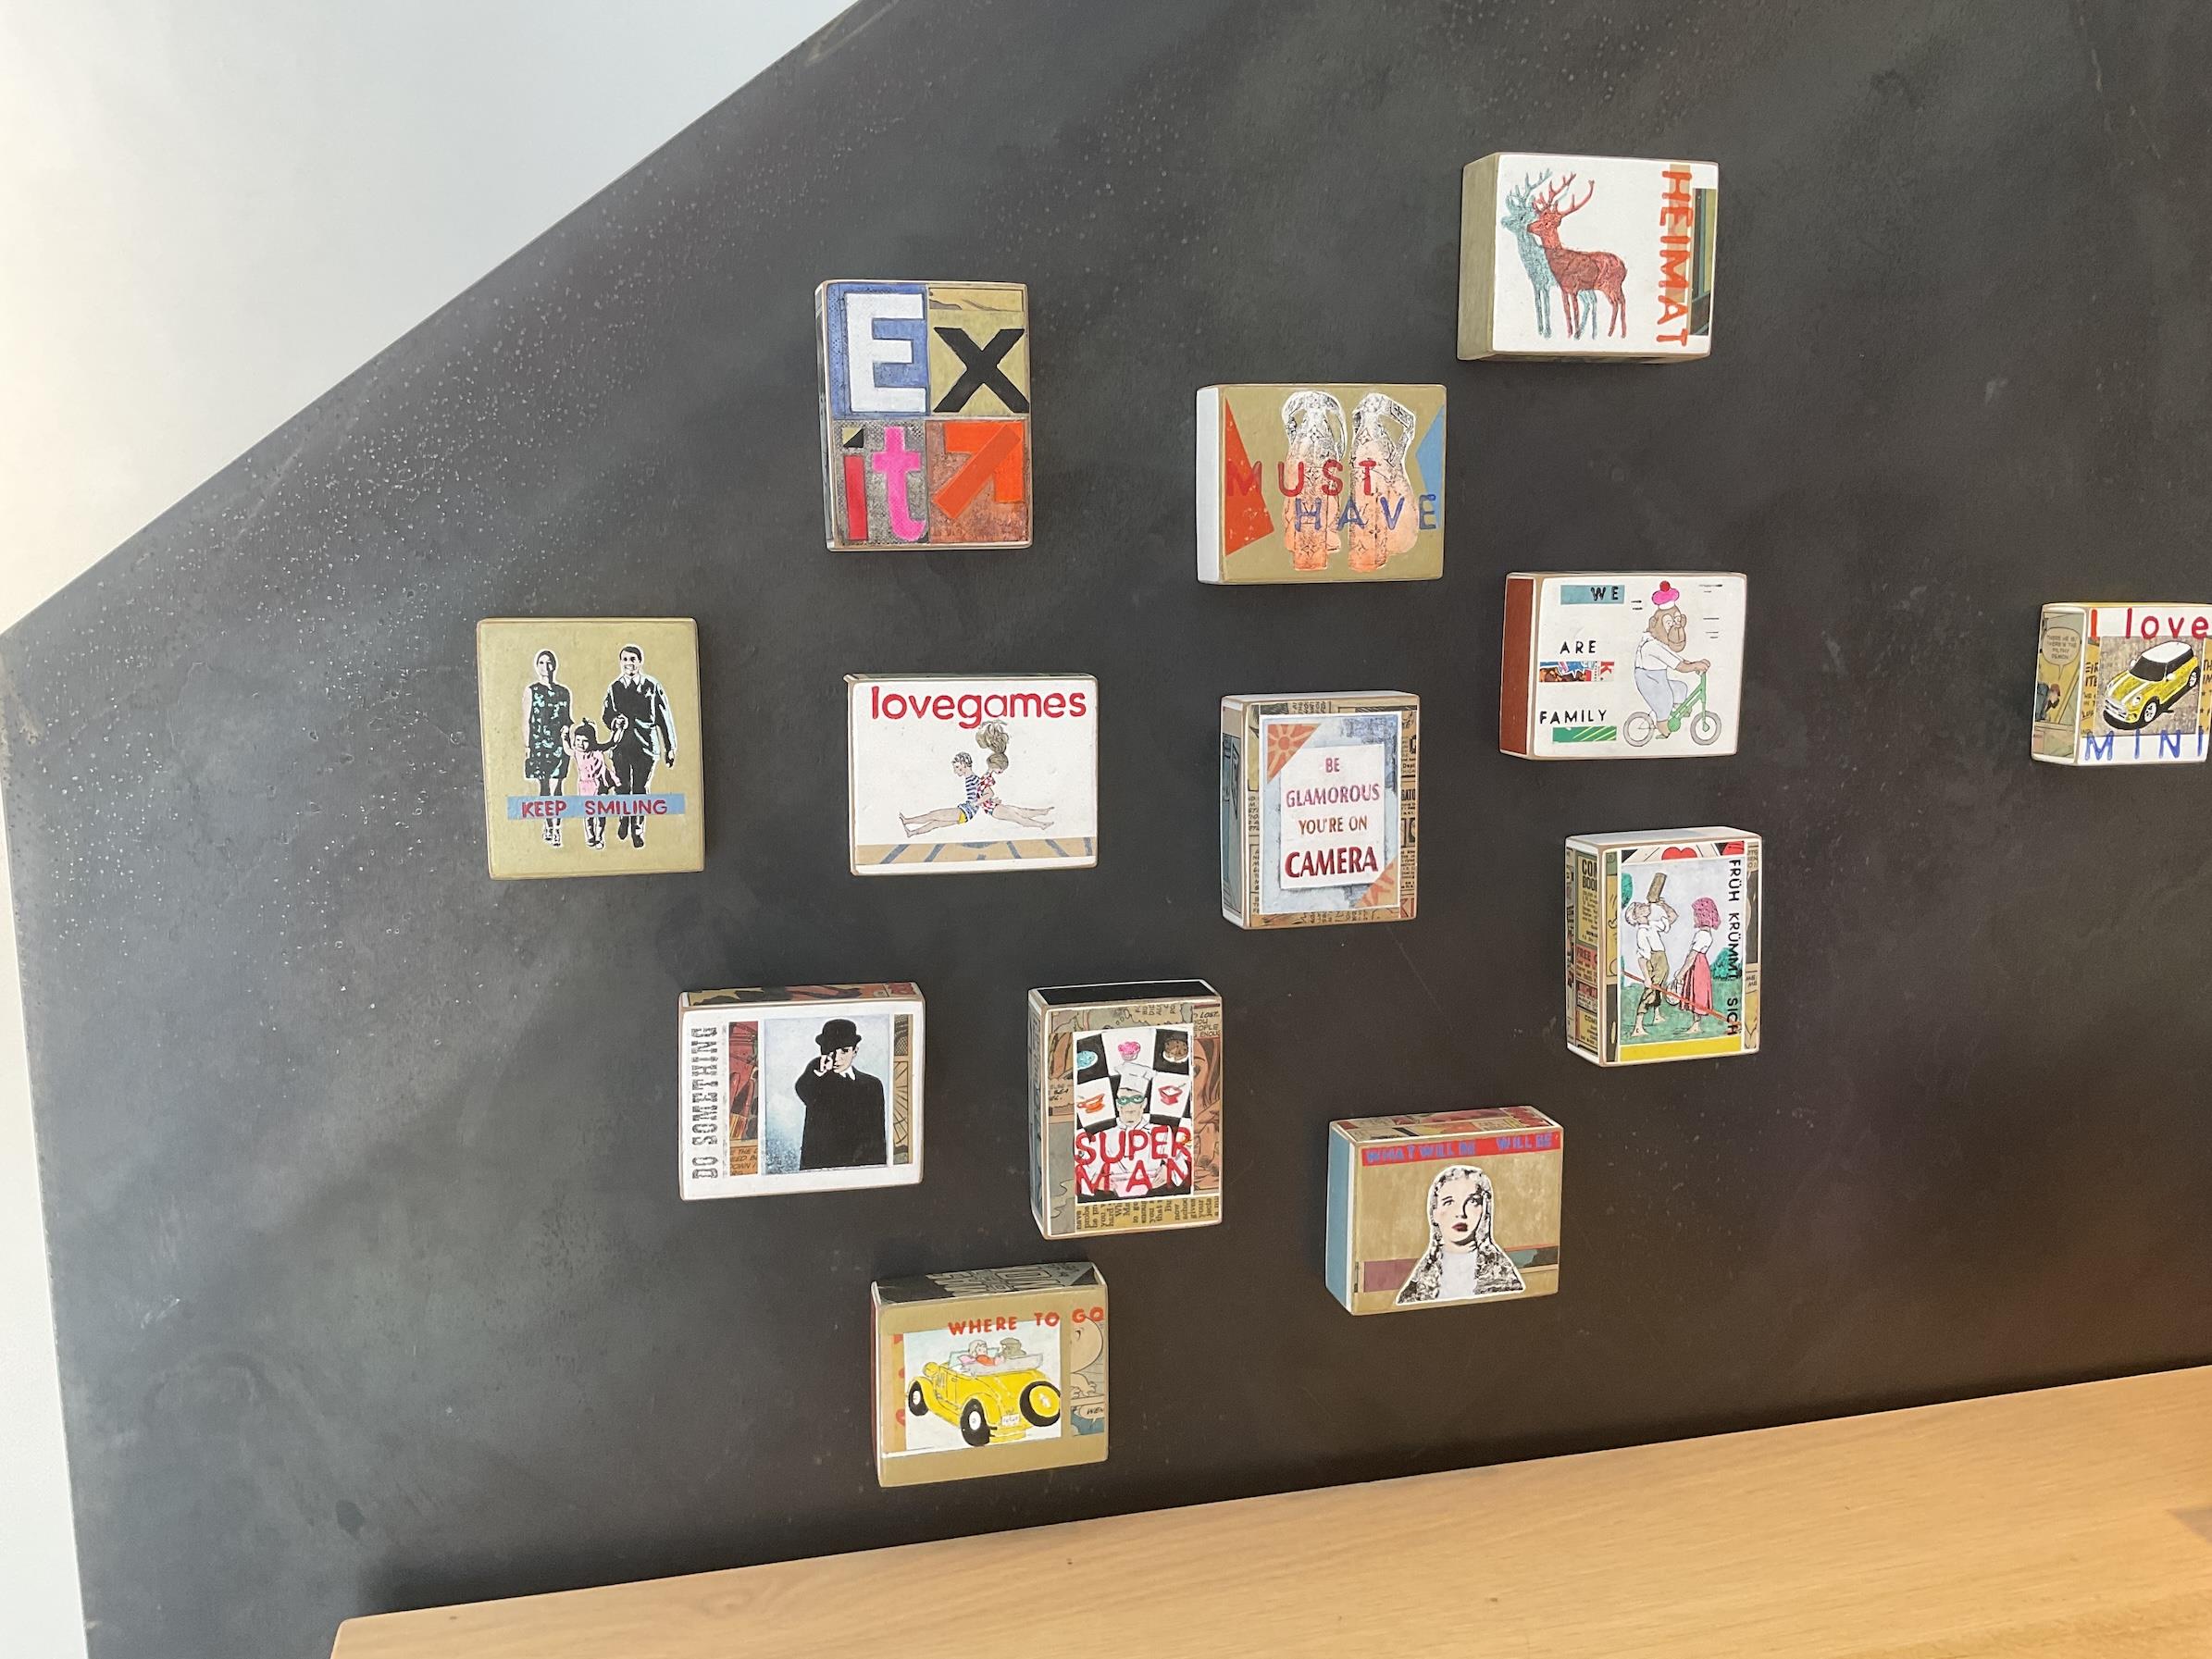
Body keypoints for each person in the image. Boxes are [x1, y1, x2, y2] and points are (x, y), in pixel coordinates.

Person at [1395, 1165, 1526, 1306]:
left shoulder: (1502, 1275)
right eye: (1449, 1202)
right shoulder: (1421, 1281)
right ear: (1434, 1213)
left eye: (1472, 1201)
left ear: (1485, 1209)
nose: (1460, 1213)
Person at [601, 644, 677, 848]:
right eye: (625, 659)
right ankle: (624, 820)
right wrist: (614, 720)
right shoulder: (615, 688)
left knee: (640, 789)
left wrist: (670, 747)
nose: (629, 664)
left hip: (646, 747)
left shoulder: (652, 686)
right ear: (621, 662)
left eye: (633, 659)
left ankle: (638, 828)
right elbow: (606, 714)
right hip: (621, 747)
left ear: (640, 662)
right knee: (622, 788)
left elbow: (664, 718)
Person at [791, 1017, 887, 1170]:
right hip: (822, 1169)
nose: (837, 1058)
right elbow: (802, 1089)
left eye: (844, 1051)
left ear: (855, 1051)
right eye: (831, 1051)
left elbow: (877, 1135)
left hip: (863, 1169)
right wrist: (817, 1068)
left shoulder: (873, 1085)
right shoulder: (817, 1080)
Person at [1633, 582, 1710, 734]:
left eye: (1677, 621)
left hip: (1659, 677)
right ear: (1655, 624)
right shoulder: (1652, 646)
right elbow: (1679, 666)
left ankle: (1675, 711)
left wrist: (1693, 663)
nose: (1675, 626)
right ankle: (1662, 723)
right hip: (1648, 679)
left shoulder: (1661, 644)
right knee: (1665, 697)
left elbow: (1676, 658)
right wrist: (1694, 666)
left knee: (1681, 688)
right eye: (1669, 623)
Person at [523, 650, 573, 847]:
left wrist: (566, 730)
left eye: (549, 662)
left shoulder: (563, 692)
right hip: (539, 746)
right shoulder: (532, 691)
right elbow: (526, 720)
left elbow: (567, 719)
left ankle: (556, 829)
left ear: (555, 665)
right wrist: (528, 745)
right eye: (542, 663)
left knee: (556, 787)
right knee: (544, 788)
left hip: (559, 746)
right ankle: (548, 825)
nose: (546, 666)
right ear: (537, 667)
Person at [1624, 872, 1678, 1039]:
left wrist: (1663, 905)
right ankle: (1638, 1026)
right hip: (1653, 960)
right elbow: (1642, 957)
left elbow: (1673, 917)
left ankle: (1657, 1015)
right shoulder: (1642, 932)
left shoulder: (1652, 925)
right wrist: (1646, 977)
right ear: (1636, 916)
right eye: (1639, 907)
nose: (1644, 905)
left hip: (1661, 958)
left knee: (1659, 987)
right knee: (1650, 990)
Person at [564, 720, 617, 849]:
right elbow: (567, 749)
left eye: (585, 741)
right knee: (588, 815)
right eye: (578, 740)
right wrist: (565, 737)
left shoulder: (597, 750)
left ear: (592, 741)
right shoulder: (576, 753)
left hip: (600, 785)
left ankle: (599, 837)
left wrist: (618, 729)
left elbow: (612, 743)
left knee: (600, 814)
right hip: (585, 787)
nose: (580, 744)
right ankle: (590, 836)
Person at [1674, 895, 1720, 1031]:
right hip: (1700, 964)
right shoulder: (1706, 934)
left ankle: (1696, 1025)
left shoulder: (1702, 935)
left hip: (1698, 965)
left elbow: (1692, 956)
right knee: (1696, 992)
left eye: (1695, 914)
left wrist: (1681, 973)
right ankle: (1696, 1024)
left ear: (1702, 916)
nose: (1693, 917)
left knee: (1697, 992)